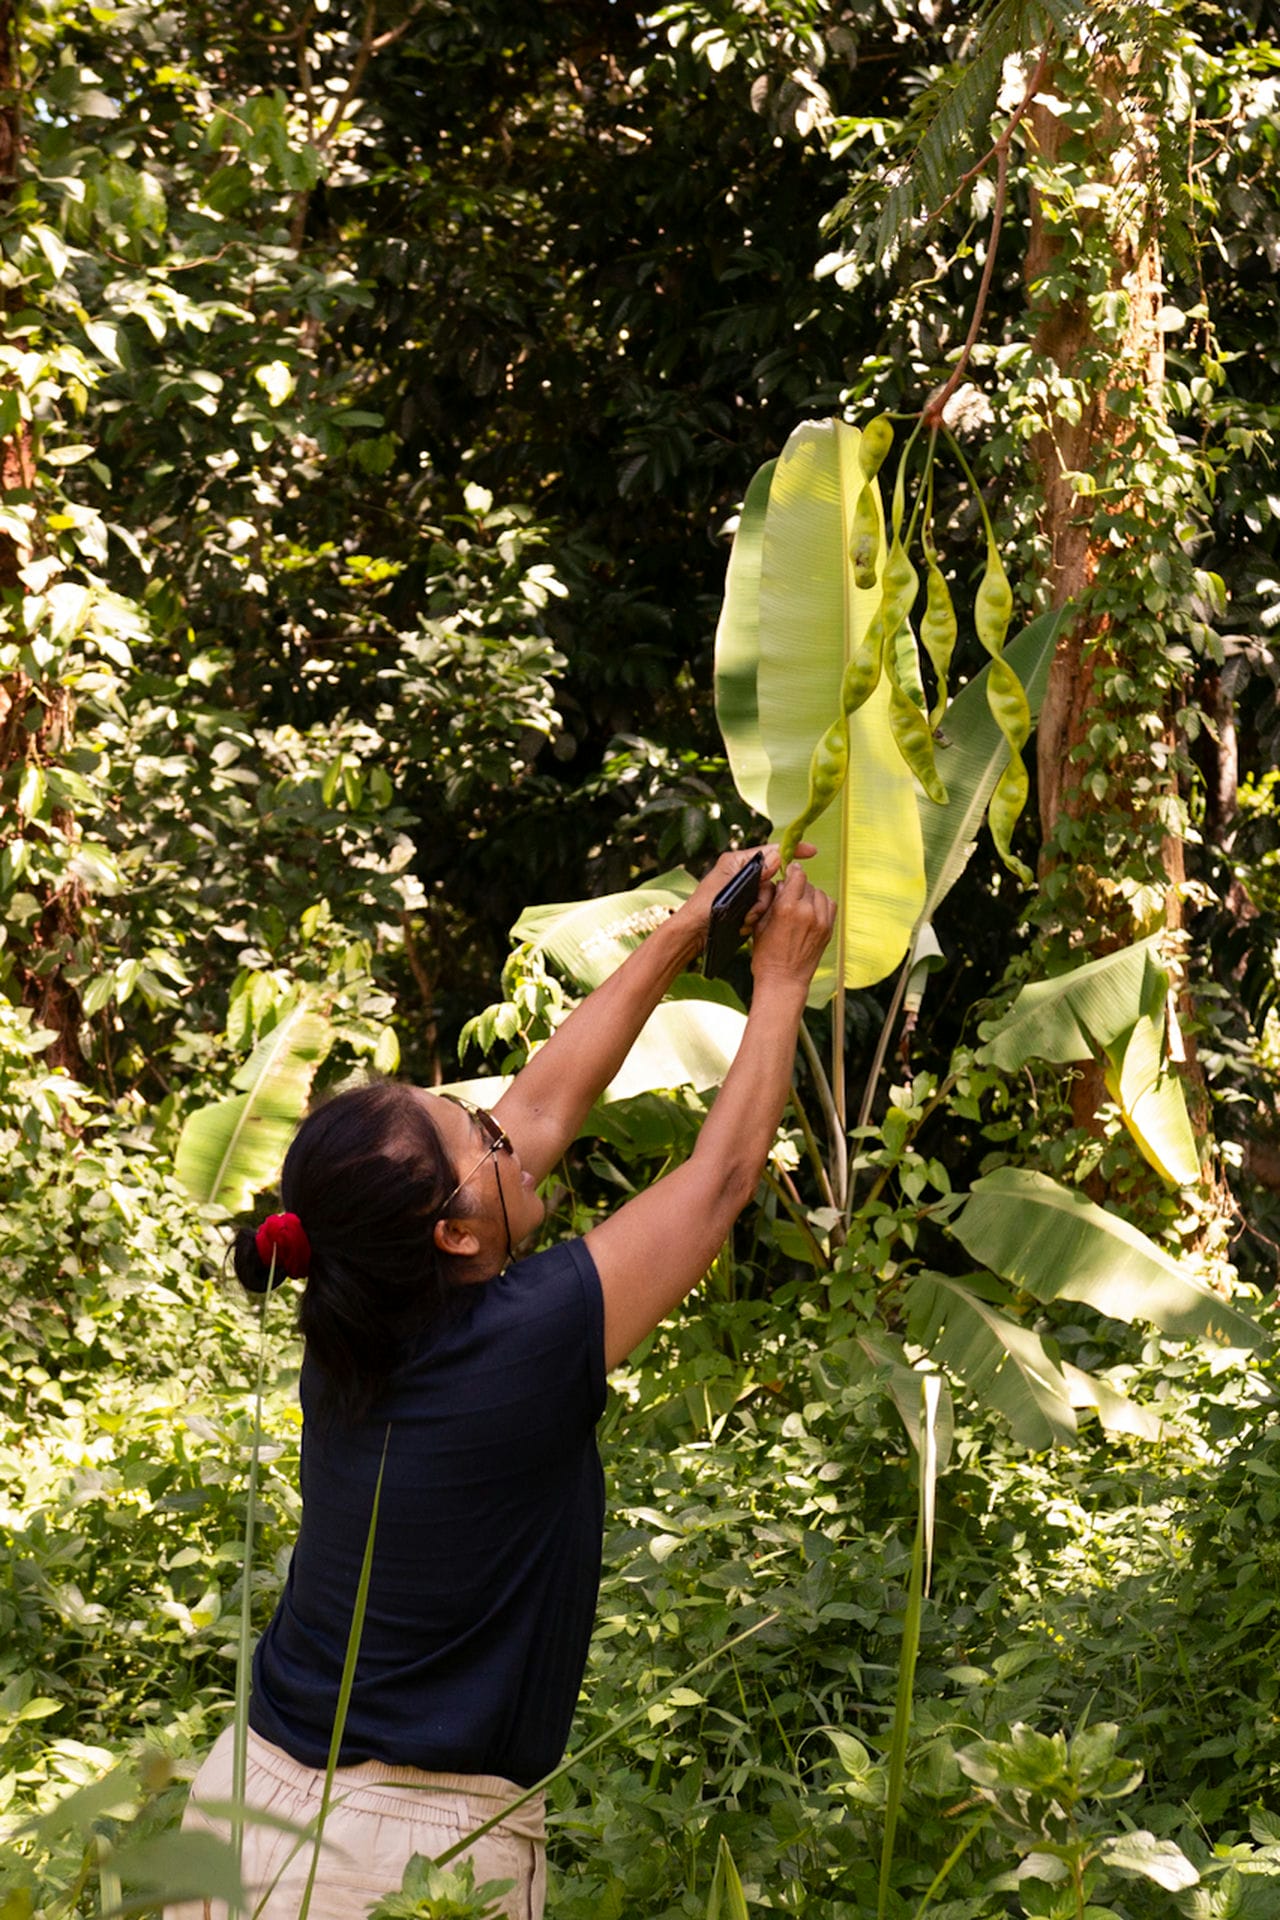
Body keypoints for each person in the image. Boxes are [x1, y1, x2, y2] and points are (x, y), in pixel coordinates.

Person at [177, 845, 835, 1920]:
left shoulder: (350, 1305)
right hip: (391, 1856)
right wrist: (780, 982)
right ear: (450, 1231)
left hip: (248, 1803)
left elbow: (537, 1106)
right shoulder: (518, 1344)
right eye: (477, 1140)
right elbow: (715, 1183)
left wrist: (680, 933)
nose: (505, 1134)